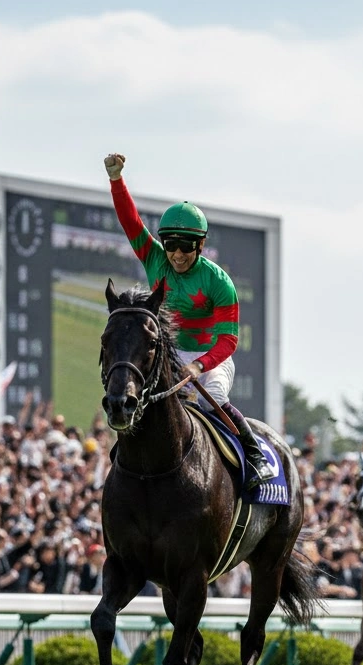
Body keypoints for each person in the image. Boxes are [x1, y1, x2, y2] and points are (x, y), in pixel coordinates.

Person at [104, 152, 275, 491]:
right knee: (144, 405)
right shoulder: (155, 257)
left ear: (201, 244)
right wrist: (115, 179)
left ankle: (254, 454)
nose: (177, 254)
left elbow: (228, 341)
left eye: (186, 246)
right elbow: (130, 221)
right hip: (165, 354)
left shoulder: (218, 281)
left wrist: (198, 366)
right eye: (171, 244)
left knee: (214, 401)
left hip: (210, 359)